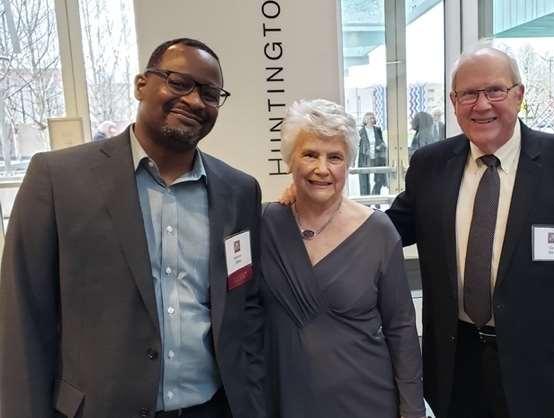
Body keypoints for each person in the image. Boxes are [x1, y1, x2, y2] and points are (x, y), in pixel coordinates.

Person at [0, 38, 265, 418]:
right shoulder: (58, 178)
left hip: (212, 408)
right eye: (178, 83)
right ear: (141, 84)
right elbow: (23, 313)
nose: (194, 101)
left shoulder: (239, 191)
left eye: (209, 93)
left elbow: (244, 304)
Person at [387, 46, 554, 418]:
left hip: (548, 379)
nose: (482, 104)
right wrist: (313, 204)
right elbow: (384, 231)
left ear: (519, 95)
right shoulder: (430, 166)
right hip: (456, 373)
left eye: (494, 90)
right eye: (469, 94)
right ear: (454, 102)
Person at [262, 99, 426, 418]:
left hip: (365, 400)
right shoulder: (264, 224)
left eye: (334, 157)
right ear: (290, 159)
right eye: (310, 154)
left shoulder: (378, 231)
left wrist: (412, 411)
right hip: (284, 400)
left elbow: (401, 329)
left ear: (348, 163)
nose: (322, 168)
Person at [358, 112, 387, 195]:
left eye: (373, 118)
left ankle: (375, 194)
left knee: (379, 179)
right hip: (365, 157)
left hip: (377, 156)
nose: (372, 120)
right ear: (365, 120)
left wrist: (380, 146)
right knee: (364, 180)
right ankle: (365, 198)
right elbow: (358, 145)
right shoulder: (361, 131)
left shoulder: (378, 130)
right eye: (370, 118)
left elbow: (382, 142)